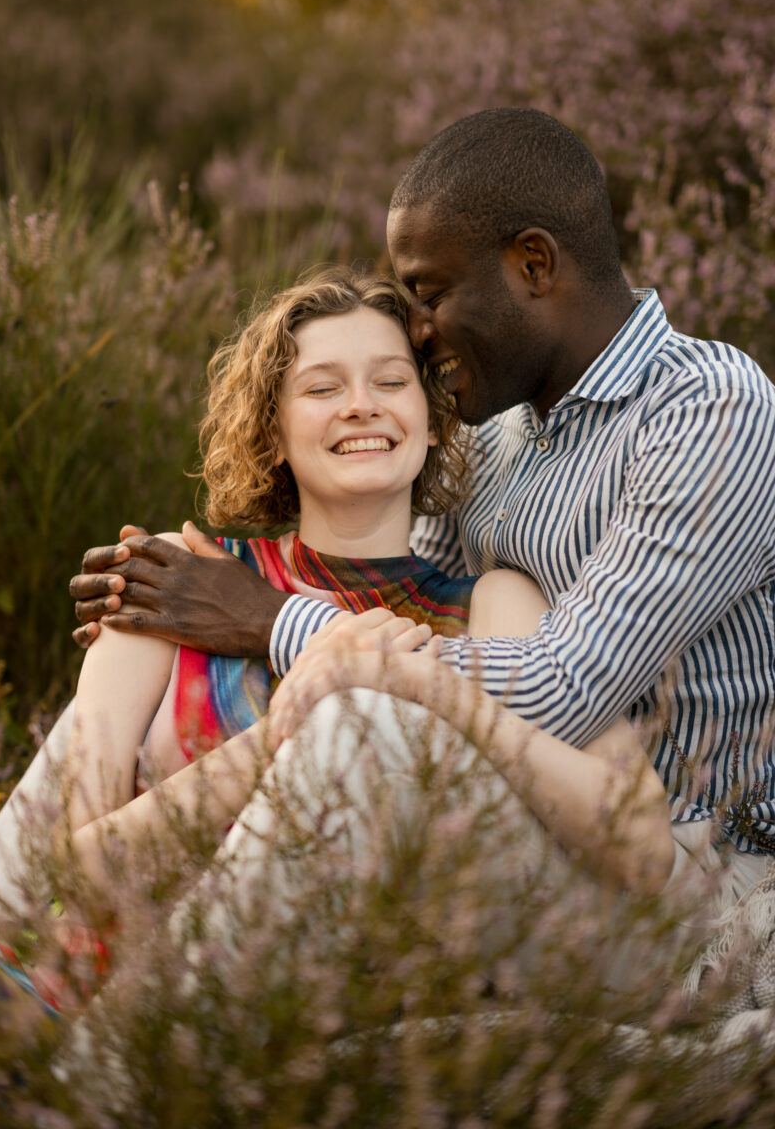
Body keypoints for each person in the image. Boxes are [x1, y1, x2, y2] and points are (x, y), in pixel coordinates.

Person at [65, 108, 775, 933]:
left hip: (693, 862)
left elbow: (562, 691)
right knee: (147, 713)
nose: (418, 330)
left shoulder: (710, 411)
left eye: (431, 292)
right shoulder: (499, 428)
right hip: (531, 811)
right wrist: (166, 618)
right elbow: (402, 610)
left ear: (533, 265)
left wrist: (267, 618)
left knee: (357, 734)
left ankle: (132, 1046)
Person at [0, 266, 672, 1017]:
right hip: (127, 1009)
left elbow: (638, 842)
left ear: (434, 420)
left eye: (390, 382)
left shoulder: (491, 608)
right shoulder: (174, 592)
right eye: (322, 388)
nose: (361, 406)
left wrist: (430, 692)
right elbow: (73, 877)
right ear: (272, 432)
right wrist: (284, 732)